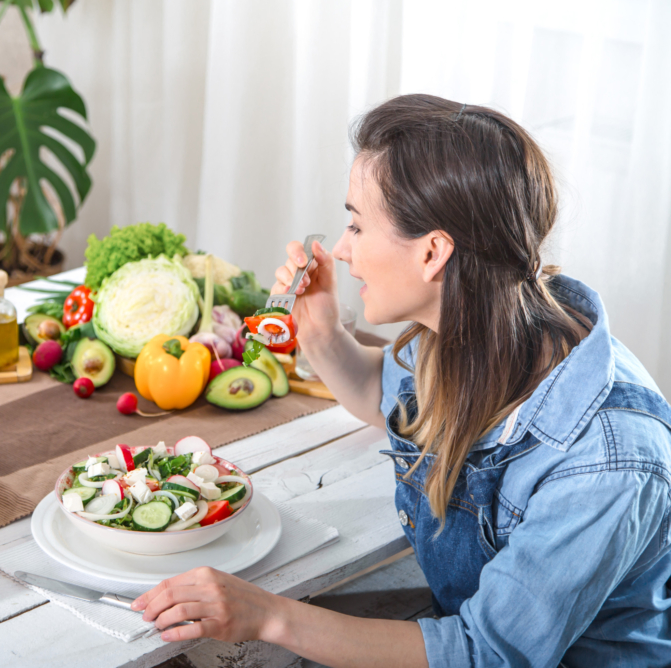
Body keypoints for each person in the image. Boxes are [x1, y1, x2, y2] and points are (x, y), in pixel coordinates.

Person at [131, 95, 671, 667]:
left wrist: (267, 613)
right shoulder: (480, 324)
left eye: (357, 225)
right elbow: (382, 398)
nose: (342, 249)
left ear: (434, 252)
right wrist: (321, 335)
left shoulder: (608, 464)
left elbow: (480, 655)